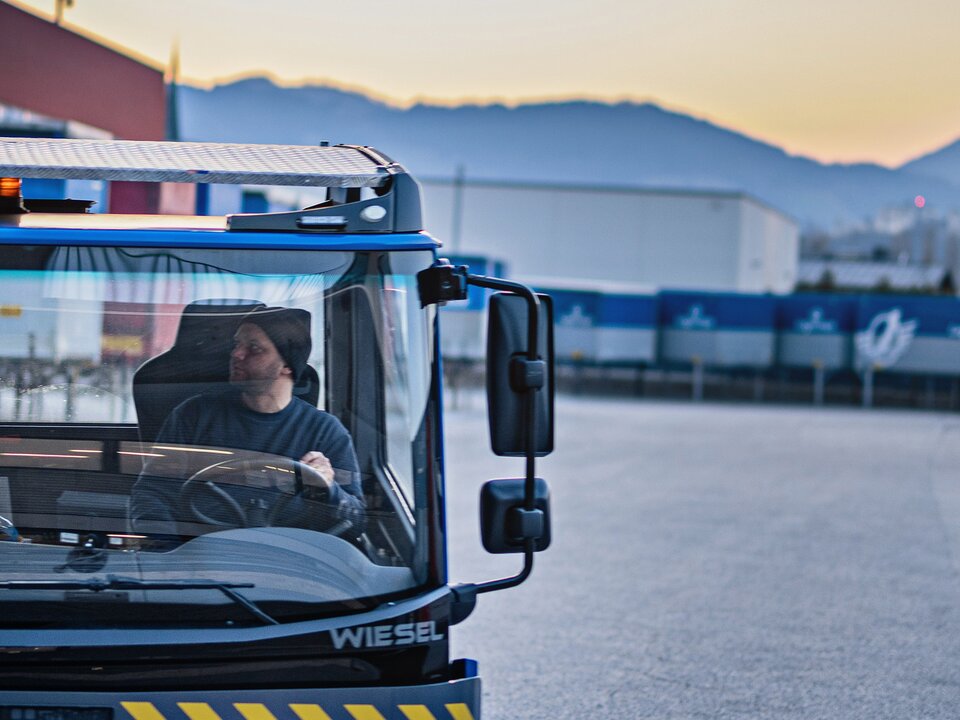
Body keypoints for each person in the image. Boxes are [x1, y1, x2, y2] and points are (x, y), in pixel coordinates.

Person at [131, 306, 365, 534]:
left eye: (254, 348)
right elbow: (151, 494)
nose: (236, 354)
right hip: (202, 556)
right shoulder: (193, 415)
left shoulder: (325, 431)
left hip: (289, 561)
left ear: (286, 365)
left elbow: (357, 523)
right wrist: (168, 550)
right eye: (237, 344)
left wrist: (329, 489)